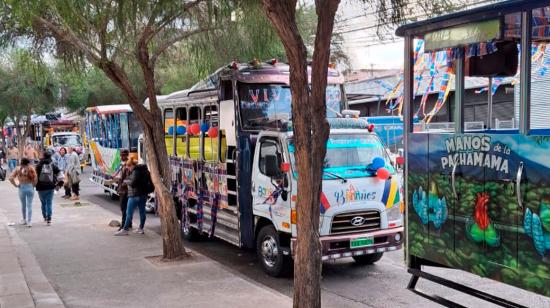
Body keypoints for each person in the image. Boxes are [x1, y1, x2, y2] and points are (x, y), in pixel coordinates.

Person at [114, 159, 152, 236]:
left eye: (128, 166)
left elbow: (133, 183)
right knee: (142, 212)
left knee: (129, 213)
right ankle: (141, 228)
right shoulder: (146, 171)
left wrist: (126, 181)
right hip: (143, 194)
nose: (128, 168)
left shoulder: (136, 171)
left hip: (134, 195)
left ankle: (125, 229)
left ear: (132, 165)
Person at [9, 158, 37, 227]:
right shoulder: (31, 168)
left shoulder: (17, 168)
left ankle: (24, 219)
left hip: (22, 187)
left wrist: (15, 185)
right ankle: (29, 221)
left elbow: (11, 178)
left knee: (23, 205)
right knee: (29, 205)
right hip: (30, 187)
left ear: (21, 162)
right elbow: (35, 178)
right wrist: (33, 185)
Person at [36, 150, 61, 225]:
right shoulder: (53, 164)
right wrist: (59, 184)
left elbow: (35, 176)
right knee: (49, 203)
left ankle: (44, 217)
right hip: (50, 186)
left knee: (43, 203)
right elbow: (60, 174)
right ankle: (49, 219)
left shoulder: (39, 165)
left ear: (43, 156)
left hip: (40, 187)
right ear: (50, 156)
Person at [114, 149, 131, 231]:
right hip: (121, 188)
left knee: (124, 207)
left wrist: (122, 182)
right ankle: (128, 223)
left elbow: (128, 178)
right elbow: (117, 172)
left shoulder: (128, 165)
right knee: (125, 207)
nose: (121, 157)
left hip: (125, 189)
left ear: (126, 155)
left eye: (123, 155)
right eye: (121, 155)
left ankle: (124, 225)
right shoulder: (121, 164)